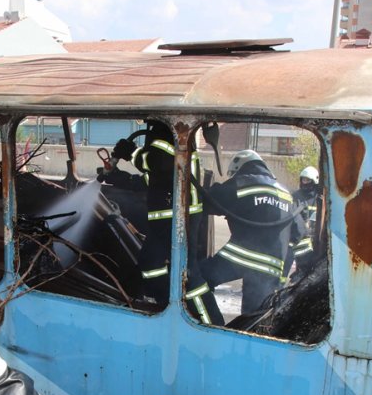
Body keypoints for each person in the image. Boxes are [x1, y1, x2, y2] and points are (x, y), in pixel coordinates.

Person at [109, 122, 222, 324]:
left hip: (176, 214)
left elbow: (159, 162)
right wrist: (118, 178)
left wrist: (131, 153)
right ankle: (164, 304)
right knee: (151, 262)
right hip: (171, 213)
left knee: (188, 272)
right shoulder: (164, 133)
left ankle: (211, 323)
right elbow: (156, 179)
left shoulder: (168, 130)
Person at [200, 150, 300, 315]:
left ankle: (212, 325)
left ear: (240, 167)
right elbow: (300, 235)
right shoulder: (286, 194)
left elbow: (209, 199)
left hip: (241, 257)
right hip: (271, 267)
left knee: (197, 280)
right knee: (254, 318)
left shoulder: (243, 183)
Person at [289, 165, 321, 274]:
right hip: (302, 236)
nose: (305, 182)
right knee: (303, 263)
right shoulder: (296, 196)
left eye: (307, 180)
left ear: (314, 181)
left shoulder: (320, 198)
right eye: (303, 179)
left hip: (318, 237)